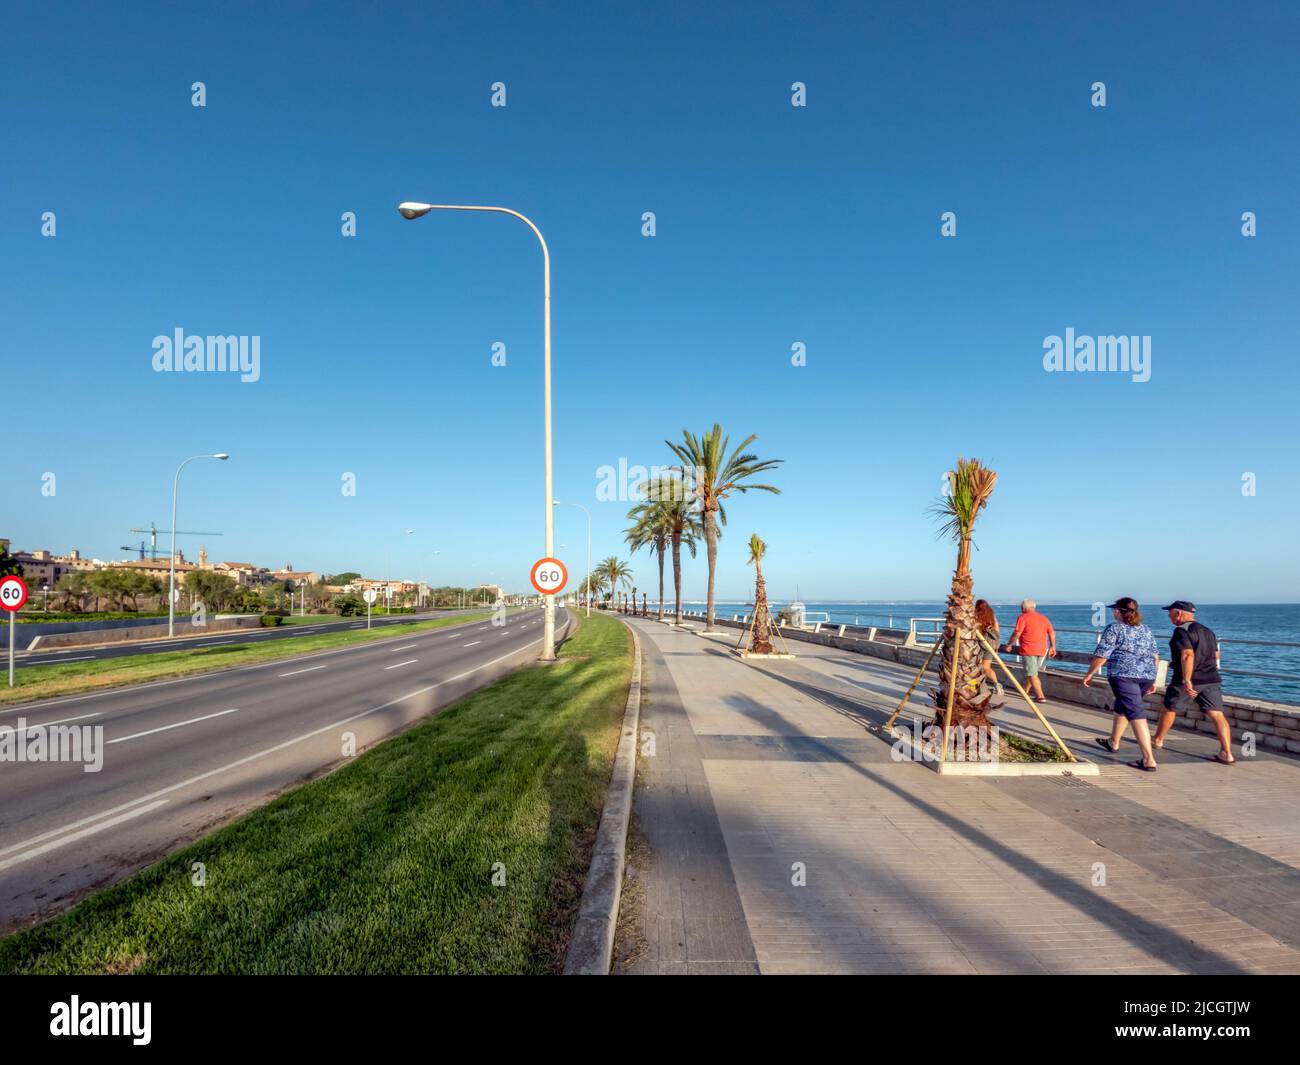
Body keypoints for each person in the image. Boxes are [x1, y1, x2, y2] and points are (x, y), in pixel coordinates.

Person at [1084, 597, 1160, 771]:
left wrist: (1090, 674)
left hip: (1124, 676)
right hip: (1146, 676)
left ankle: (1148, 760)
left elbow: (1102, 655)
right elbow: (1156, 656)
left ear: (1118, 611)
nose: (1113, 612)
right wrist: (1154, 679)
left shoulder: (1114, 628)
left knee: (1136, 714)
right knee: (1122, 706)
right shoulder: (1145, 629)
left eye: (1114, 610)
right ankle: (1113, 742)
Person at [1153, 601, 1234, 765]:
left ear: (1179, 613)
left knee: (1169, 708)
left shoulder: (1181, 631)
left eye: (1170, 612)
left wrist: (1187, 679)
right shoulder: (1208, 631)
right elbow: (1217, 655)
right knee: (1217, 714)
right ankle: (1227, 753)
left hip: (1188, 679)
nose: (1168, 615)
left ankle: (1158, 740)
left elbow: (1187, 655)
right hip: (1211, 678)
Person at [1002, 599, 1057, 702]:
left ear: (1024, 607)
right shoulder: (1043, 618)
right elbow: (1052, 632)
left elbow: (1017, 633)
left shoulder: (1023, 617)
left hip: (1029, 649)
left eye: (1021, 607)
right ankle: (1025, 691)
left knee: (1032, 674)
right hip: (1042, 650)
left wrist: (1009, 644)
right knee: (1032, 672)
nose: (1021, 609)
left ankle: (1040, 697)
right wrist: (1053, 647)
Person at [974, 599, 1003, 696]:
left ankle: (973, 686)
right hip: (991, 646)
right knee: (987, 667)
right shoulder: (992, 616)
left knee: (974, 667)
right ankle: (997, 685)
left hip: (980, 645)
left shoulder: (976, 616)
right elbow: (997, 631)